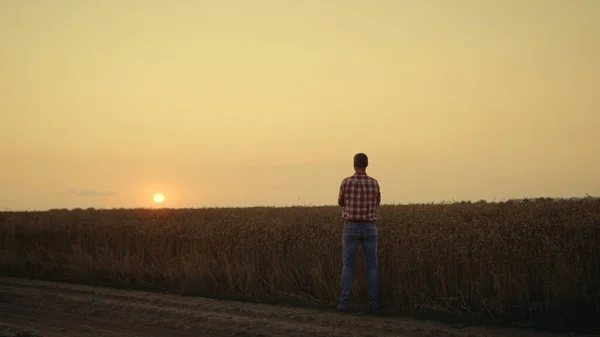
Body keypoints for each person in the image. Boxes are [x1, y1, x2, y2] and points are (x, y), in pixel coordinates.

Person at [337, 152, 383, 312]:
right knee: (372, 266)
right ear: (367, 164)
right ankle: (375, 304)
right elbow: (377, 202)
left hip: (351, 227)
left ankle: (344, 303)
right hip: (370, 227)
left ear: (354, 164)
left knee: (348, 265)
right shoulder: (374, 183)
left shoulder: (346, 182)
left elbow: (341, 202)